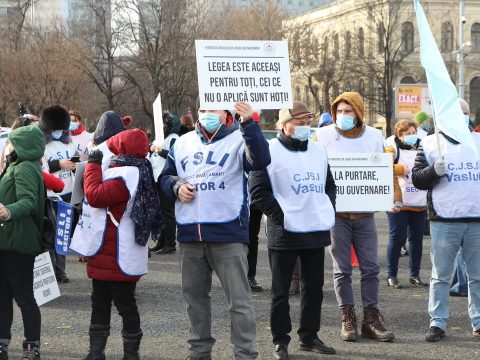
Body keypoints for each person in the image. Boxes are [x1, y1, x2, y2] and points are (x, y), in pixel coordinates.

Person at [159, 101, 270, 360]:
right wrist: (176, 187)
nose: (207, 115)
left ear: (227, 114)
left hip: (227, 232)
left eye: (213, 110)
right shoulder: (183, 143)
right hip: (189, 235)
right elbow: (165, 177)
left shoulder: (239, 139)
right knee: (195, 301)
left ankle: (245, 353)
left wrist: (250, 123)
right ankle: (199, 351)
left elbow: (261, 160)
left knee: (239, 301)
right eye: (202, 111)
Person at [250, 101, 336, 360]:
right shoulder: (267, 151)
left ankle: (309, 336)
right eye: (299, 122)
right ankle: (280, 340)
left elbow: (329, 185)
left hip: (314, 228)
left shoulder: (319, 151)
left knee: (314, 288)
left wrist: (325, 208)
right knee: (280, 291)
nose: (304, 126)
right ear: (284, 124)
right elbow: (258, 193)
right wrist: (283, 217)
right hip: (284, 231)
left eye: (307, 121)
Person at [315, 91, 400, 342]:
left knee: (371, 268)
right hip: (337, 215)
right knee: (341, 270)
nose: (343, 116)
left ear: (359, 112)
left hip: (364, 214)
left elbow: (386, 170)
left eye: (348, 111)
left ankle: (371, 319)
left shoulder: (374, 136)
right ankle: (347, 318)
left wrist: (392, 197)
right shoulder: (322, 136)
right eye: (339, 111)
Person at [70, 129, 162, 360]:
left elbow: (96, 195)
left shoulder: (127, 172)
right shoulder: (136, 167)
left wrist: (91, 165)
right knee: (103, 303)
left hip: (117, 251)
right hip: (111, 249)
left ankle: (128, 354)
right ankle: (97, 352)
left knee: (122, 304)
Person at [412, 100, 480, 342]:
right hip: (444, 219)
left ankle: (478, 321)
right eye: (457, 113)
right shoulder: (431, 143)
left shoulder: (479, 141)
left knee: (477, 276)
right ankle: (437, 323)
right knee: (441, 276)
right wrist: (433, 171)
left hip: (476, 220)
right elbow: (418, 179)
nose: (463, 116)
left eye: (465, 112)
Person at [0, 125, 46, 360]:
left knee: (24, 297)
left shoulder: (26, 167)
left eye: (11, 142)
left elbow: (29, 201)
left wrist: (9, 211)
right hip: (7, 240)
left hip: (19, 242)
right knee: (3, 296)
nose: (8, 145)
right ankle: (2, 343)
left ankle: (31, 345)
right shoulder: (16, 165)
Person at [385, 120, 427, 289]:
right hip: (398, 203)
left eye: (413, 132)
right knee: (397, 238)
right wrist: (399, 169)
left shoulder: (422, 149)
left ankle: (414, 274)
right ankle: (391, 275)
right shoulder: (392, 148)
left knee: (416, 240)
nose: (411, 136)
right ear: (399, 135)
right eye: (407, 133)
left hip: (419, 202)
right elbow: (384, 166)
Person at [40, 105, 77, 284]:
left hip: (68, 191)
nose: (58, 132)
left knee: (63, 234)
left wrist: (76, 165)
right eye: (55, 129)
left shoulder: (69, 142)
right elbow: (41, 167)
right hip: (50, 194)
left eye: (61, 129)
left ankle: (61, 271)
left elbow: (76, 159)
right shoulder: (41, 144)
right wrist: (58, 164)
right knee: (50, 235)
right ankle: (50, 271)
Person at [449, 99, 472, 298]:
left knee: (463, 252)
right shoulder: (438, 138)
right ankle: (460, 283)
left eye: (465, 113)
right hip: (450, 207)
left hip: (470, 207)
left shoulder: (475, 139)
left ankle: (461, 284)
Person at [149, 113, 180, 254]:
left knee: (167, 213)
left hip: (166, 179)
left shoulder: (174, 138)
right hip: (156, 178)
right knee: (160, 213)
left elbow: (175, 156)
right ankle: (161, 241)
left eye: (165, 124)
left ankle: (170, 243)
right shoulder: (159, 139)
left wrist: (160, 151)